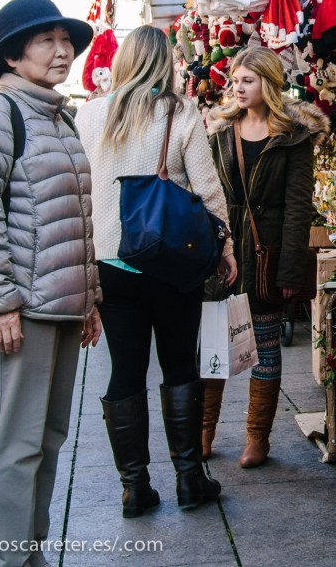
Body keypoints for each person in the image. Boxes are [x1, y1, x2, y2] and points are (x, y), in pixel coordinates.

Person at [0, 0, 101, 567]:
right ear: (13, 55)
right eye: (47, 40)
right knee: (11, 449)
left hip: (60, 309)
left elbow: (76, 220)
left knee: (45, 442)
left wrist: (89, 300)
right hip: (18, 312)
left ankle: (28, 556)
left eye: (67, 40)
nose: (63, 50)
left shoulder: (58, 116)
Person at [75, 25, 237, 517]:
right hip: (170, 261)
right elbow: (207, 189)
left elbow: (82, 190)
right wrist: (225, 245)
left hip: (112, 261)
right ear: (164, 63)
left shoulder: (88, 115)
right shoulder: (180, 112)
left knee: (124, 370)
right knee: (179, 364)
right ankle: (190, 479)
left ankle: (134, 488)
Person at [205, 46, 328, 467]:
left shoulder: (292, 137)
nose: (238, 87)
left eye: (248, 80)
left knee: (266, 345)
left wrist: (291, 267)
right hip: (220, 251)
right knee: (212, 344)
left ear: (269, 84)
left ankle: (257, 437)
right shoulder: (219, 130)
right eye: (235, 80)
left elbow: (299, 205)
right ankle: (204, 432)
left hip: (265, 253)